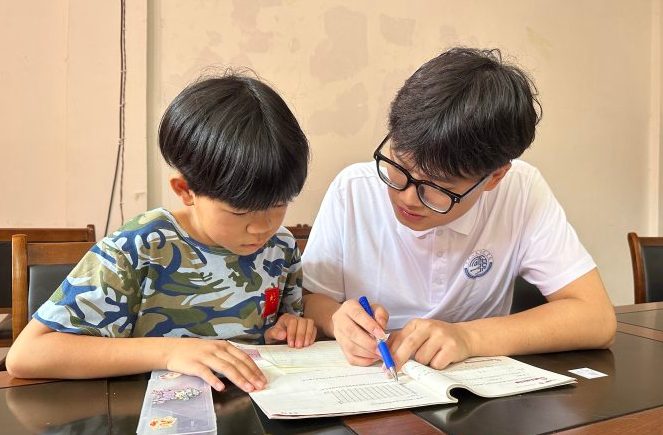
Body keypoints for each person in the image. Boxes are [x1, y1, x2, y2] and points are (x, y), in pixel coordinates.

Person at [302, 47, 616, 372]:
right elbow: (309, 299)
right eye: (399, 166)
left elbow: (596, 318)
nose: (408, 197)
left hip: (471, 390)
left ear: (494, 177)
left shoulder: (521, 191)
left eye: (438, 187)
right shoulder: (353, 189)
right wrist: (335, 318)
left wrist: (469, 337)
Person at [7, 73, 316, 392]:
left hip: (253, 403)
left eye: (279, 204)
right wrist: (169, 352)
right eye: (239, 211)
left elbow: (280, 322)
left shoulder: (281, 247)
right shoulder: (141, 246)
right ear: (185, 190)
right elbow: (28, 354)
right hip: (150, 408)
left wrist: (286, 329)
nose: (262, 227)